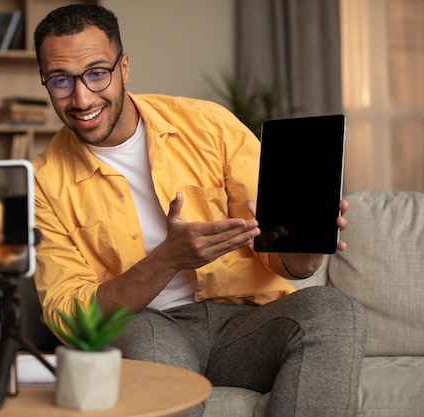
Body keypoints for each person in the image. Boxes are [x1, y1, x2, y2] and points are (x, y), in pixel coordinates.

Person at [31, 4, 367, 417]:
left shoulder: (209, 126)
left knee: (335, 310)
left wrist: (304, 253)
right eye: (61, 81)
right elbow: (71, 317)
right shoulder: (43, 182)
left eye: (97, 73)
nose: (81, 97)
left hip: (244, 325)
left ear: (125, 67)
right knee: (149, 343)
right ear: (46, 82)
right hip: (148, 325)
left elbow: (279, 251)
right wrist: (168, 259)